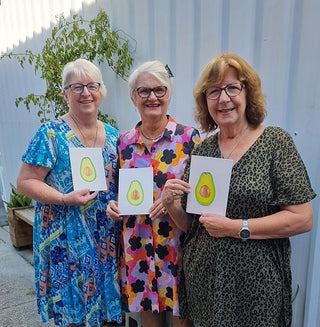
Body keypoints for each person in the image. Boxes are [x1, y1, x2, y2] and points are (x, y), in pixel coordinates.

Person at [161, 53, 316, 327]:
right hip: (206, 285)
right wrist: (172, 204)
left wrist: (235, 227)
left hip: (257, 287)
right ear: (205, 101)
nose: (223, 99)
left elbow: (302, 218)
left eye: (232, 88)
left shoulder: (275, 143)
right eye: (214, 91)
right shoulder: (203, 150)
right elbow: (194, 225)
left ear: (248, 92)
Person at [16, 58, 122, 327]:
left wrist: (118, 203)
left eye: (91, 85)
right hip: (65, 237)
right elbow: (26, 181)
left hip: (105, 237)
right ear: (65, 94)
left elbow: (120, 185)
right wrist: (64, 198)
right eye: (77, 87)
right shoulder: (50, 134)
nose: (85, 93)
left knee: (108, 315)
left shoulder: (114, 136)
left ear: (101, 92)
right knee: (74, 314)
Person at [106, 60, 201, 327]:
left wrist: (174, 200)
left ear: (169, 94)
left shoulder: (189, 138)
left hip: (177, 245)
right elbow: (117, 191)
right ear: (133, 97)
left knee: (183, 320)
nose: (152, 97)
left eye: (159, 90)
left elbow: (201, 195)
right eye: (143, 91)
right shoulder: (124, 142)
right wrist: (113, 204)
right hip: (137, 246)